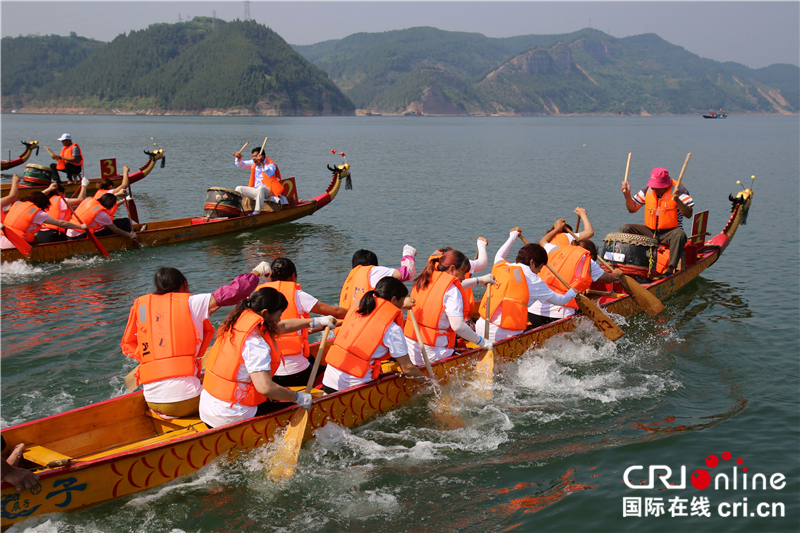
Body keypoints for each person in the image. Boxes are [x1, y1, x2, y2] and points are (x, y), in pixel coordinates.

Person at [120, 263, 270, 418]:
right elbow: (235, 291)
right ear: (184, 284)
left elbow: (129, 343)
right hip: (187, 401)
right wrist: (256, 272)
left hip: (152, 400)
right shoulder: (192, 302)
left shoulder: (141, 307)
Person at [199, 287, 336, 428]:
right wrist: (298, 397)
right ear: (265, 313)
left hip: (207, 409)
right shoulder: (256, 343)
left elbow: (282, 326)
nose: (280, 318)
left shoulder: (237, 324)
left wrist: (316, 321)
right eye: (279, 314)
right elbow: (265, 388)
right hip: (231, 415)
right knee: (304, 406)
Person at [323, 277, 427, 394]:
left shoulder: (358, 309)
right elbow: (408, 369)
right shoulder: (392, 329)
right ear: (393, 300)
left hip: (328, 383)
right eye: (402, 301)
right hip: (352, 389)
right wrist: (432, 382)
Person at [476, 230, 579, 343]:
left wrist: (513, 236)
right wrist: (572, 293)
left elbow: (499, 255)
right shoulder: (535, 281)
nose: (540, 271)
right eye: (540, 267)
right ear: (532, 262)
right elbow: (559, 300)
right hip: (504, 336)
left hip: (481, 329)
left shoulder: (502, 266)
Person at [257, 257, 346, 387]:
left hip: (268, 372)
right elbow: (336, 312)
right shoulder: (297, 295)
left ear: (270, 278)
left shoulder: (258, 297)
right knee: (331, 372)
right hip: (294, 374)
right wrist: (359, 312)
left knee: (311, 359)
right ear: (293, 276)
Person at [404, 250, 493, 365]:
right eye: (463, 273)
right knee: (473, 360)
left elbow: (451, 288)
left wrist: (479, 280)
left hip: (410, 350)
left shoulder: (424, 278)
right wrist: (482, 342)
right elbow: (458, 326)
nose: (463, 277)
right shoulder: (452, 291)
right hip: (433, 353)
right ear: (451, 269)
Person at [530, 222, 624, 328]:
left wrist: (557, 229)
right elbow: (609, 279)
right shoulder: (588, 261)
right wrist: (617, 273)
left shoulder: (554, 249)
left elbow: (543, 241)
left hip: (532, 313)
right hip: (559, 316)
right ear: (590, 254)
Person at [620, 167, 694, 277]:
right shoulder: (648, 189)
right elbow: (632, 209)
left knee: (680, 235)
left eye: (659, 188)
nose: (655, 190)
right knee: (626, 228)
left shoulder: (679, 189)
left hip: (670, 233)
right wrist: (627, 194)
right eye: (654, 187)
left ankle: (670, 269)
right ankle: (629, 264)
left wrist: (677, 199)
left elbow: (688, 214)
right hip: (650, 231)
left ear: (666, 184)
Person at [428, 237, 489, 320]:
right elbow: (483, 262)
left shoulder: (431, 268)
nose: (463, 277)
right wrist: (482, 245)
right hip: (458, 317)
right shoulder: (459, 264)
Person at [339, 245, 417, 310]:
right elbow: (408, 273)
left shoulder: (351, 277)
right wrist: (408, 253)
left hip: (347, 324)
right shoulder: (373, 271)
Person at [0, 191, 87, 249]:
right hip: (15, 244)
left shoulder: (17, 203)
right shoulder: (37, 213)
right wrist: (80, 226)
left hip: (2, 239)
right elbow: (62, 223)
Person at [234, 146, 287, 215]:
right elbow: (241, 164)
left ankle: (256, 211)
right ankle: (235, 210)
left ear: (262, 156)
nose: (254, 159)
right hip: (257, 190)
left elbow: (269, 173)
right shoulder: (253, 163)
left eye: (255, 156)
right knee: (239, 188)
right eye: (252, 156)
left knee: (261, 188)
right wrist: (238, 158)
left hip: (269, 191)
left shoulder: (271, 164)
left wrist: (262, 163)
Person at [36, 178, 90, 243]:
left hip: (41, 234)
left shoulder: (44, 200)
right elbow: (80, 199)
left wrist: (49, 189)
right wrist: (84, 185)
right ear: (61, 193)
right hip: (54, 235)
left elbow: (37, 196)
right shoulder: (60, 200)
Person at [65, 193, 137, 241]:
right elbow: (116, 230)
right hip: (82, 236)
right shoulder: (101, 214)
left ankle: (134, 231)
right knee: (125, 221)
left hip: (69, 233)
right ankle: (135, 233)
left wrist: (122, 199)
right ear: (110, 206)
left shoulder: (88, 200)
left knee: (118, 223)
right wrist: (129, 235)